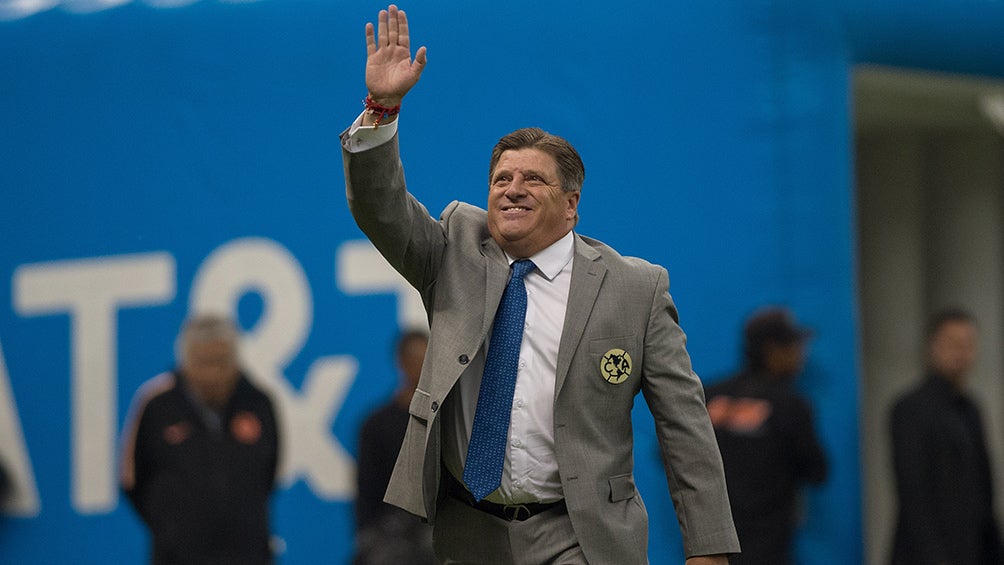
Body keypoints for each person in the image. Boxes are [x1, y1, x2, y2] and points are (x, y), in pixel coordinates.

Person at [340, 6, 740, 564]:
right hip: (469, 531)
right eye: (501, 178)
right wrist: (382, 110)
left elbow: (684, 427)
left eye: (533, 179)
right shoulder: (454, 248)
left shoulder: (635, 289)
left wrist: (708, 549)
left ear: (571, 205)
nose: (512, 189)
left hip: (579, 534)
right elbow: (380, 211)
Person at [119, 314, 280, 565]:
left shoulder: (259, 403)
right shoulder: (156, 406)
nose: (213, 374)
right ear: (185, 361)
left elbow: (269, 473)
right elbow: (132, 481)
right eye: (204, 363)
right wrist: (171, 531)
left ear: (236, 359)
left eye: (221, 362)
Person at [704, 306, 828, 565]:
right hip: (767, 545)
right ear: (773, 350)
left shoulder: (709, 395)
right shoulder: (790, 405)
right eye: (794, 345)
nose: (801, 354)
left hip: (710, 543)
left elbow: (671, 456)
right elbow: (817, 471)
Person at [889, 309, 1002, 565]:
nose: (960, 352)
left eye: (967, 344)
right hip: (929, 555)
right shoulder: (910, 409)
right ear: (932, 347)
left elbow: (983, 490)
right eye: (952, 343)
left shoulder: (971, 408)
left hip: (973, 550)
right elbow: (913, 495)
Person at [354, 329, 437, 565]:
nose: (420, 367)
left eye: (426, 359)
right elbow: (367, 489)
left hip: (438, 532)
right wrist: (370, 537)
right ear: (401, 362)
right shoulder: (376, 425)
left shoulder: (448, 422)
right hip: (390, 535)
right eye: (414, 359)